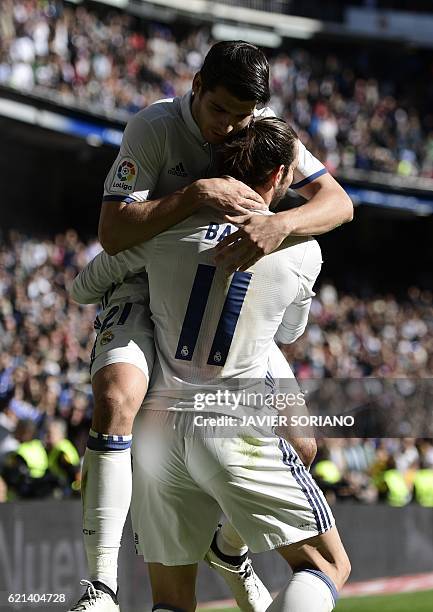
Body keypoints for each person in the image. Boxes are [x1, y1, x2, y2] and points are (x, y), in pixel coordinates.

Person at [75, 40, 353, 610]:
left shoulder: (267, 133)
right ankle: (100, 586)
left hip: (221, 302)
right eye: (219, 111)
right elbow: (112, 233)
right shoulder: (153, 126)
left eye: (242, 117)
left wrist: (278, 227)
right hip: (147, 284)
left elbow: (338, 203)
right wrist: (194, 195)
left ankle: (229, 548)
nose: (229, 130)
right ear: (196, 85)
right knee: (119, 394)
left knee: (302, 442)